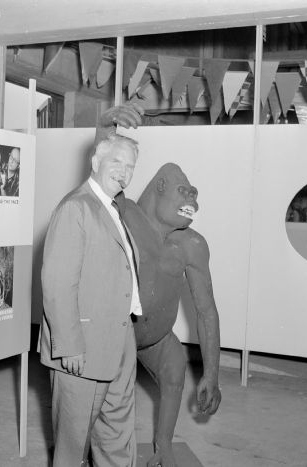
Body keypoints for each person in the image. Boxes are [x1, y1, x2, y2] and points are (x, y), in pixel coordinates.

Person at [93, 108, 222, 467]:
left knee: (175, 362)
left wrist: (211, 374)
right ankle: (95, 447)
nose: (192, 201)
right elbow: (100, 171)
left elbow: (206, 310)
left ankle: (163, 445)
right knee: (106, 401)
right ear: (161, 187)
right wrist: (105, 123)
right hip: (117, 333)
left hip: (154, 340)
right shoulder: (125, 213)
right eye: (184, 191)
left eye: (194, 194)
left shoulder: (191, 244)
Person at [39, 103, 144, 467]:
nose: (125, 173)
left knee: (117, 434)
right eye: (117, 163)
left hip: (118, 340)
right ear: (96, 161)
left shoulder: (112, 208)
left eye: (131, 167)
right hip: (80, 348)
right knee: (73, 444)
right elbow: (57, 284)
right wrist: (68, 345)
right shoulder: (75, 208)